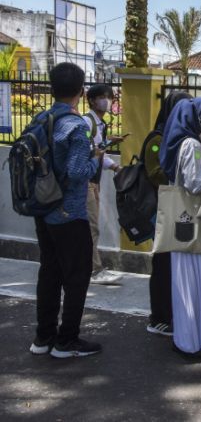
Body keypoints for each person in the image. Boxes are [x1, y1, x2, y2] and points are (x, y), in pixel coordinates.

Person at [29, 62, 104, 358]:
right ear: (81, 91)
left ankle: (43, 338)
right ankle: (66, 340)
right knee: (77, 275)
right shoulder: (76, 126)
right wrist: (95, 159)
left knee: (49, 272)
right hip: (70, 213)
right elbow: (76, 171)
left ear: (52, 88)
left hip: (43, 208)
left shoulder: (41, 118)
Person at [159, 97, 201, 357]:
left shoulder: (177, 140)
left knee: (187, 282)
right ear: (199, 120)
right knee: (195, 281)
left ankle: (190, 338)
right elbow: (197, 184)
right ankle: (194, 341)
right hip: (196, 223)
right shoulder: (192, 144)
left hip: (184, 223)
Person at [144, 91, 193, 337]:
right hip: (161, 209)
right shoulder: (158, 138)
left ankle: (172, 313)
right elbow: (155, 173)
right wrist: (180, 171)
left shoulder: (183, 138)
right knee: (162, 265)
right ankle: (158, 317)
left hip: (176, 208)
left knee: (175, 266)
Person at [82, 84, 125, 286]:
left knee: (90, 227)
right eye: (102, 97)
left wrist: (115, 167)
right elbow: (91, 152)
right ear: (91, 100)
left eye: (109, 98)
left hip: (94, 181)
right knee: (91, 227)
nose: (106, 101)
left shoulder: (100, 124)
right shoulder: (87, 122)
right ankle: (94, 270)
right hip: (86, 182)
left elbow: (99, 154)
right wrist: (107, 144)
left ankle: (90, 267)